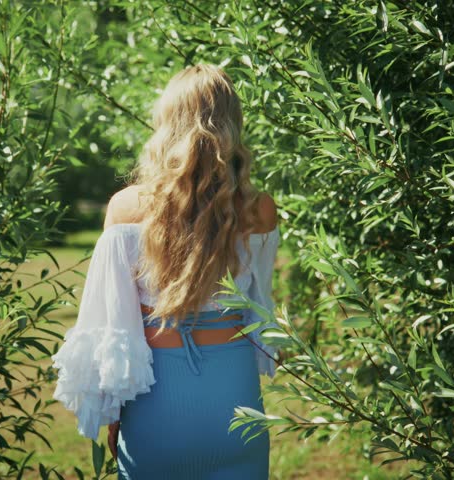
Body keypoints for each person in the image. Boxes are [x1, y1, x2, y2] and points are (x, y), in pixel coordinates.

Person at [51, 64, 280, 479]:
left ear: (166, 124)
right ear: (233, 124)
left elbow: (114, 328)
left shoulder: (125, 208)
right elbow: (259, 309)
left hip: (157, 405)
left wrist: (114, 415)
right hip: (236, 402)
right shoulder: (259, 210)